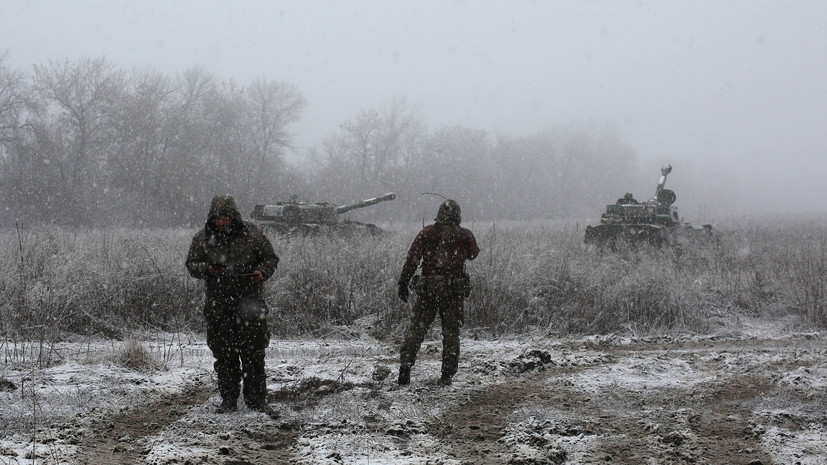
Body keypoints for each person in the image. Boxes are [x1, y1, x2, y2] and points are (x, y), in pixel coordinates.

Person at [185, 195, 280, 415]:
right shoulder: (203, 238)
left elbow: (270, 258)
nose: (222, 222)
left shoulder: (253, 234)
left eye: (226, 217)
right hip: (219, 305)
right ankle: (228, 400)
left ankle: (256, 401)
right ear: (212, 218)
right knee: (225, 355)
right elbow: (191, 264)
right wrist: (208, 269)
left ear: (234, 216)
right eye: (218, 218)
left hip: (251, 303)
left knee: (254, 354)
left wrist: (260, 273)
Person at [397, 199, 480, 386]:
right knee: (451, 333)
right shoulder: (465, 235)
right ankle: (447, 375)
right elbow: (473, 254)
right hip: (453, 291)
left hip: (428, 289)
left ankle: (406, 363)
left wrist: (403, 282)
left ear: (439, 214)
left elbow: (413, 259)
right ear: (458, 215)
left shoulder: (427, 233)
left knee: (417, 329)